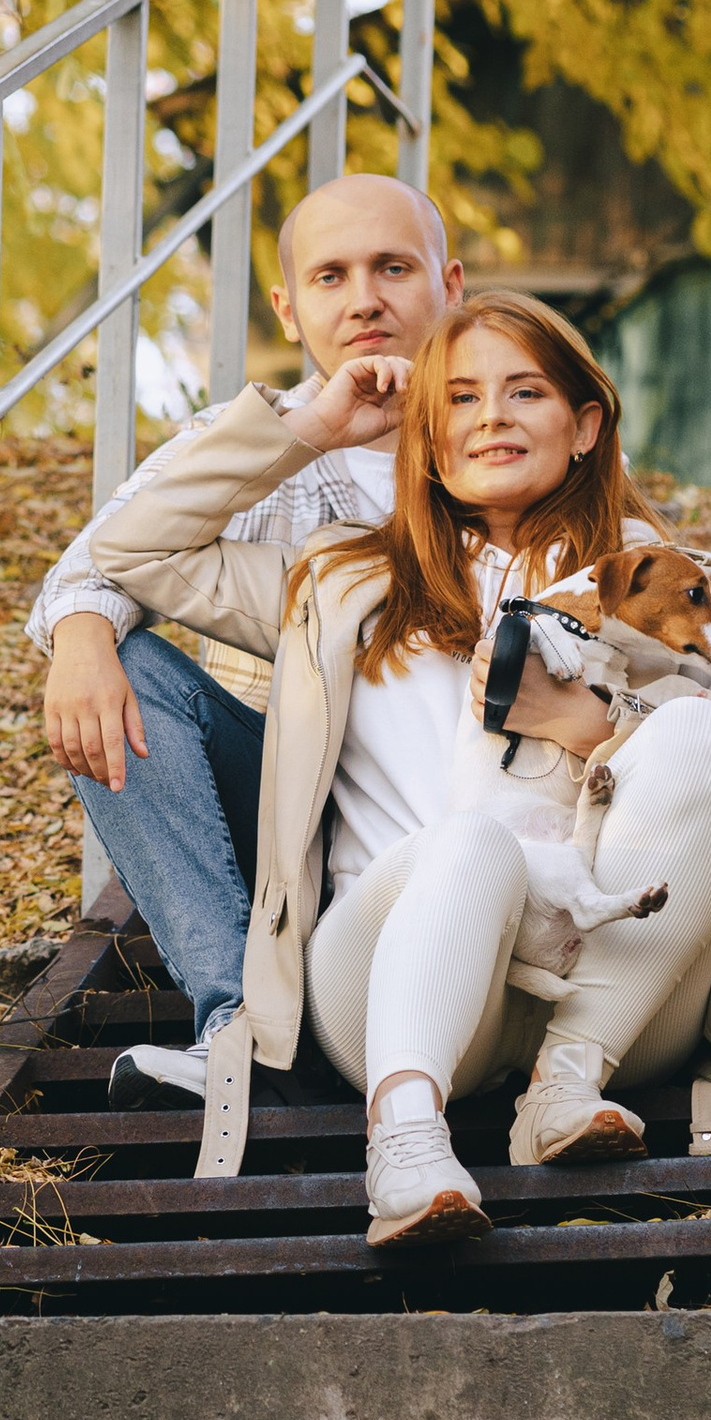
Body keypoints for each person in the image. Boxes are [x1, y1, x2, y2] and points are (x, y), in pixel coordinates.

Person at [78, 291, 711, 1236]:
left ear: (585, 426)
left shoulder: (658, 585)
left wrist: (588, 722)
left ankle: (564, 1087)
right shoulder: (339, 580)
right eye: (458, 398)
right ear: (424, 437)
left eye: (525, 391)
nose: (492, 415)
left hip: (621, 993)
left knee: (703, 729)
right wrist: (309, 425)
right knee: (470, 840)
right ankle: (408, 1139)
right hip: (386, 981)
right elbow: (128, 545)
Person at [30, 171, 454, 1112]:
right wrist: (83, 638)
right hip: (299, 818)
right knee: (124, 665)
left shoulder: (506, 428)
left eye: (393, 268)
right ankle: (240, 1027)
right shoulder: (254, 443)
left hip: (462, 806)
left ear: (449, 284)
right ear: (288, 306)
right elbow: (94, 561)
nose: (365, 299)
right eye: (331, 276)